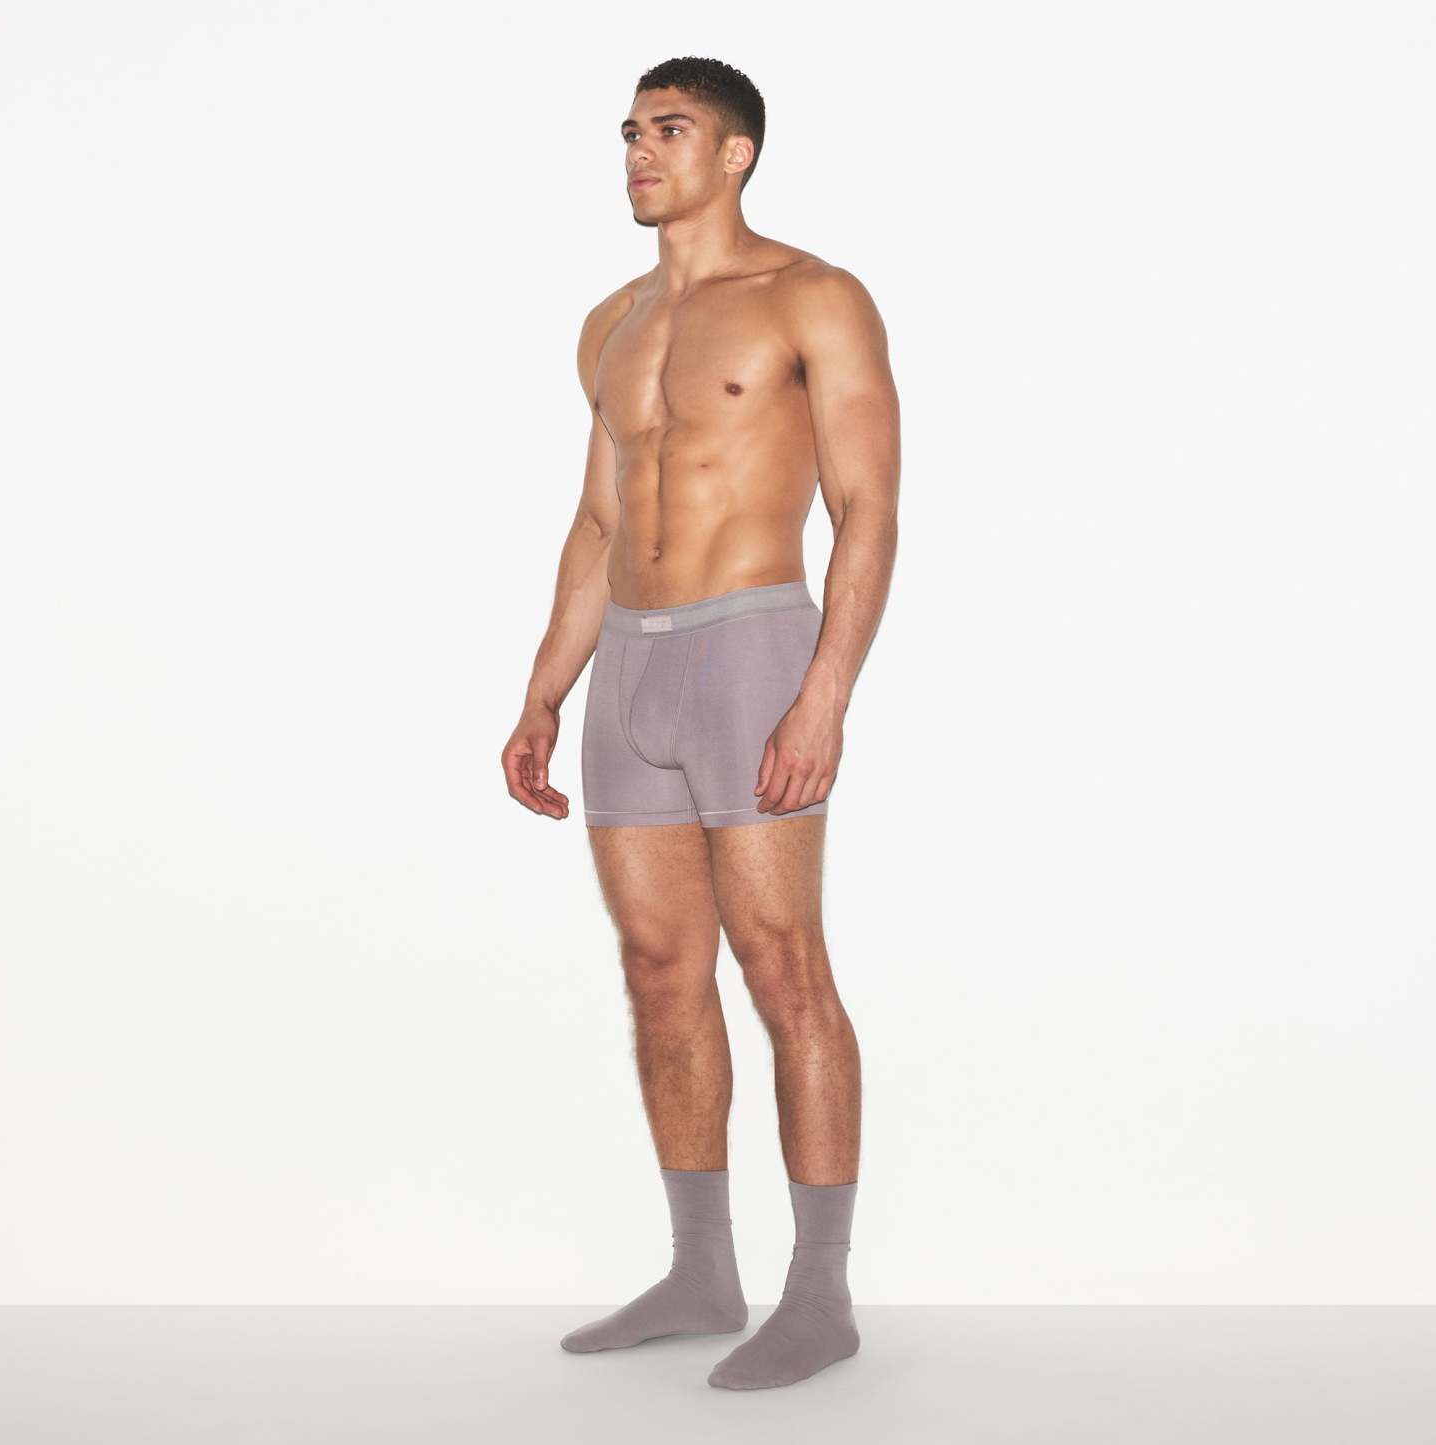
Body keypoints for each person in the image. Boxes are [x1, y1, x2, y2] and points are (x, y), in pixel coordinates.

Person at [501, 55, 899, 1391]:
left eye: (668, 130)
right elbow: (597, 520)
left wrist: (824, 692)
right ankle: (700, 1268)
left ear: (735, 154)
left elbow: (867, 507)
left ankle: (821, 1294)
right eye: (630, 131)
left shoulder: (811, 296)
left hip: (753, 649)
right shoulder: (610, 324)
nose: (638, 151)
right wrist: (543, 690)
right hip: (629, 660)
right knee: (660, 969)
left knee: (782, 966)